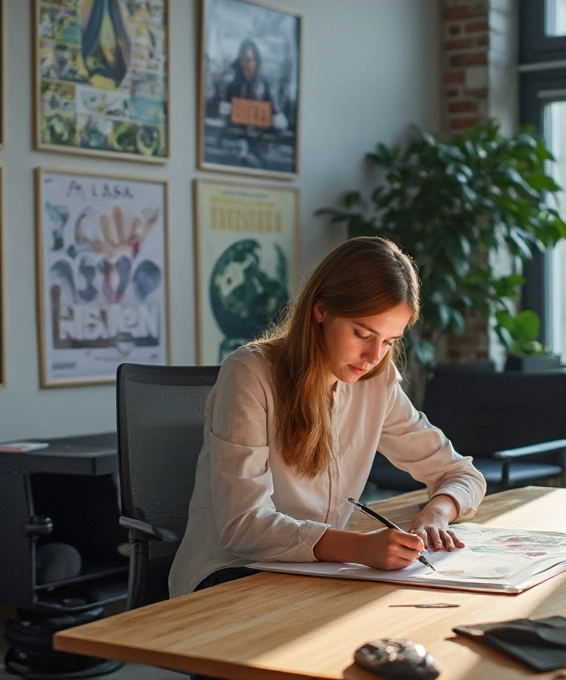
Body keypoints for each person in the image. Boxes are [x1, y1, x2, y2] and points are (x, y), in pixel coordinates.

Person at [169, 237, 487, 597]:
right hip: (231, 573)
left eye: (388, 341)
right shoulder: (250, 373)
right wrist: (360, 547)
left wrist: (437, 514)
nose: (373, 356)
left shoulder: (375, 382)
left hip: (322, 573)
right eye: (362, 334)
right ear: (320, 311)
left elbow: (462, 473)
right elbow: (243, 526)